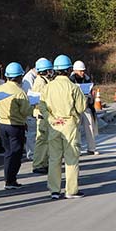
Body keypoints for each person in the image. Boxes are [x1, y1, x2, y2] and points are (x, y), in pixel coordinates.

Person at [39, 55, 87, 199]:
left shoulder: (47, 87)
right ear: (69, 69)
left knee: (54, 158)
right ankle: (71, 190)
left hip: (54, 125)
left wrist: (51, 118)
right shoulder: (73, 87)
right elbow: (81, 107)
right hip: (69, 125)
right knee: (71, 158)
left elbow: (42, 106)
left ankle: (54, 190)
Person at [0, 62, 35, 189]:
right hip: (16, 125)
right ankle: (11, 181)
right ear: (19, 77)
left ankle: (7, 178)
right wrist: (33, 106)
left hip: (3, 124)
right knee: (16, 154)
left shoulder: (0, 89)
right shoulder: (19, 92)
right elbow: (26, 111)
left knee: (8, 153)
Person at [27, 58, 54, 172]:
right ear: (46, 70)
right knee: (41, 140)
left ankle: (43, 162)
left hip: (43, 114)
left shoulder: (42, 80)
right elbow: (41, 98)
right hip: (42, 114)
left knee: (44, 140)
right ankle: (38, 164)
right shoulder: (40, 82)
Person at [70, 60, 98, 155]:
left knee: (90, 127)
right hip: (76, 108)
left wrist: (91, 95)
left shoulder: (87, 79)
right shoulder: (71, 80)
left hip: (86, 107)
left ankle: (91, 148)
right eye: (80, 71)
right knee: (76, 130)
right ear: (75, 71)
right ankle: (77, 149)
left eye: (83, 71)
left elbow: (91, 90)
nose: (83, 73)